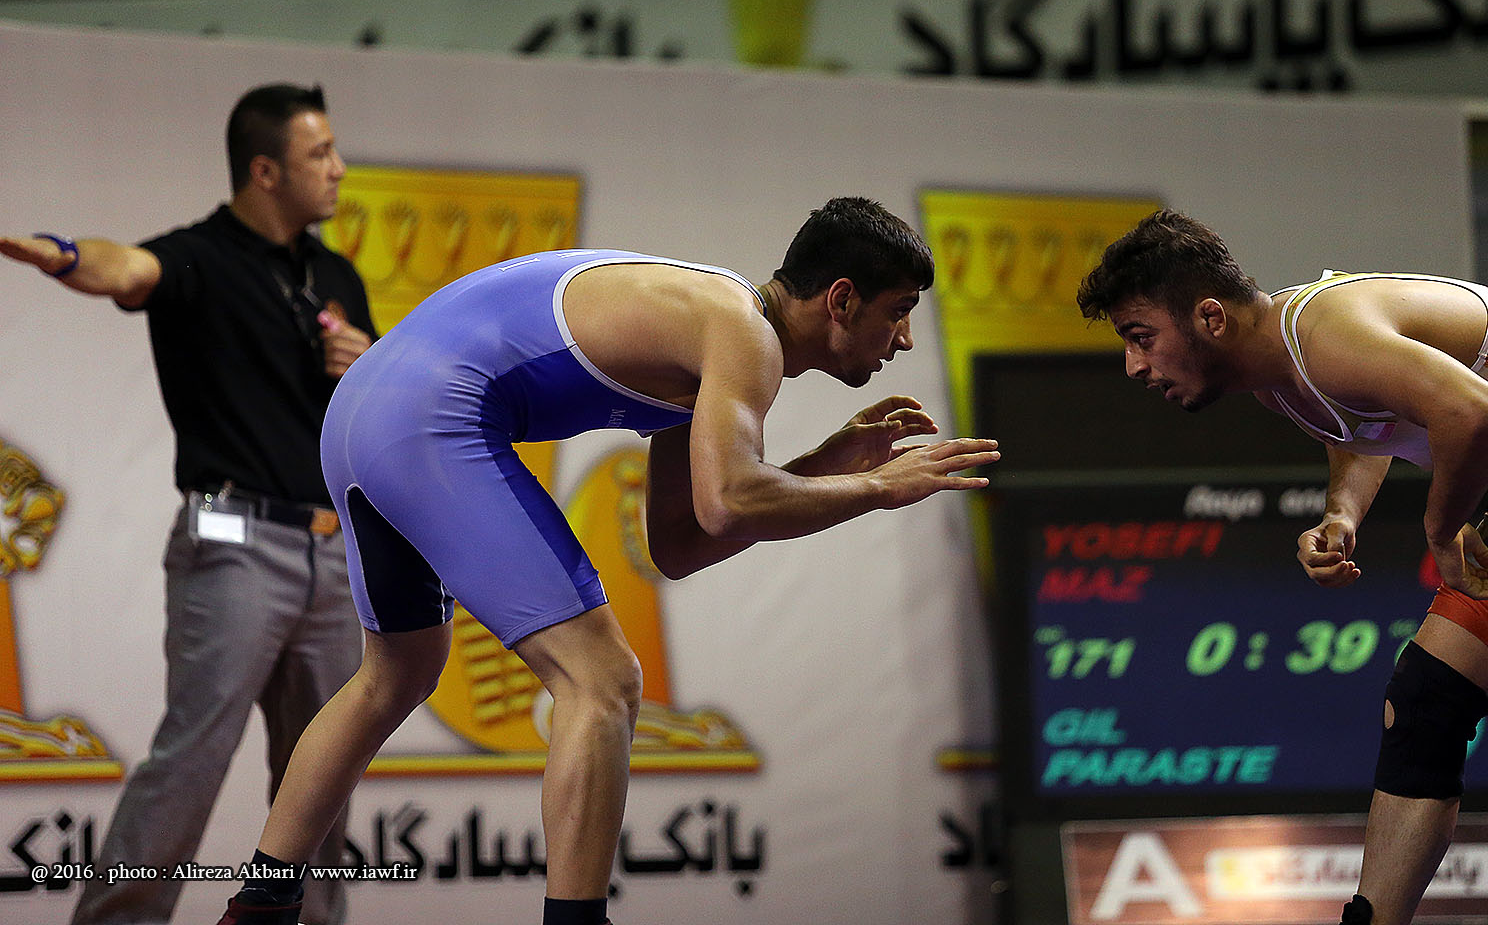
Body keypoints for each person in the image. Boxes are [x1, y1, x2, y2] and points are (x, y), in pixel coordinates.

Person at [208, 196, 1000, 925]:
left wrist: (828, 465)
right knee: (604, 680)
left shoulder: (710, 331)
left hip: (360, 414)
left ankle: (259, 907)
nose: (904, 338)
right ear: (841, 300)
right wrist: (876, 488)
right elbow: (732, 501)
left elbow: (683, 541)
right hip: (426, 414)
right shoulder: (745, 333)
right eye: (899, 311)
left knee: (396, 674)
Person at [1076, 208, 1488, 925]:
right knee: (1428, 702)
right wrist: (1342, 513)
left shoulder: (1323, 335)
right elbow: (1363, 424)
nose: (1134, 365)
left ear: (1210, 318)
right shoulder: (1279, 368)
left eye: (1141, 338)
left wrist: (1442, 527)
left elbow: (1476, 412)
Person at [0, 83, 375, 925]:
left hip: (333, 554)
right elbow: (126, 267)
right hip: (234, 545)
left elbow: (373, 423)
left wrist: (370, 365)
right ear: (266, 171)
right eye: (320, 154)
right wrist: (62, 253)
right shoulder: (199, 258)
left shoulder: (335, 274)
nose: (339, 169)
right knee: (192, 757)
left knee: (326, 771)